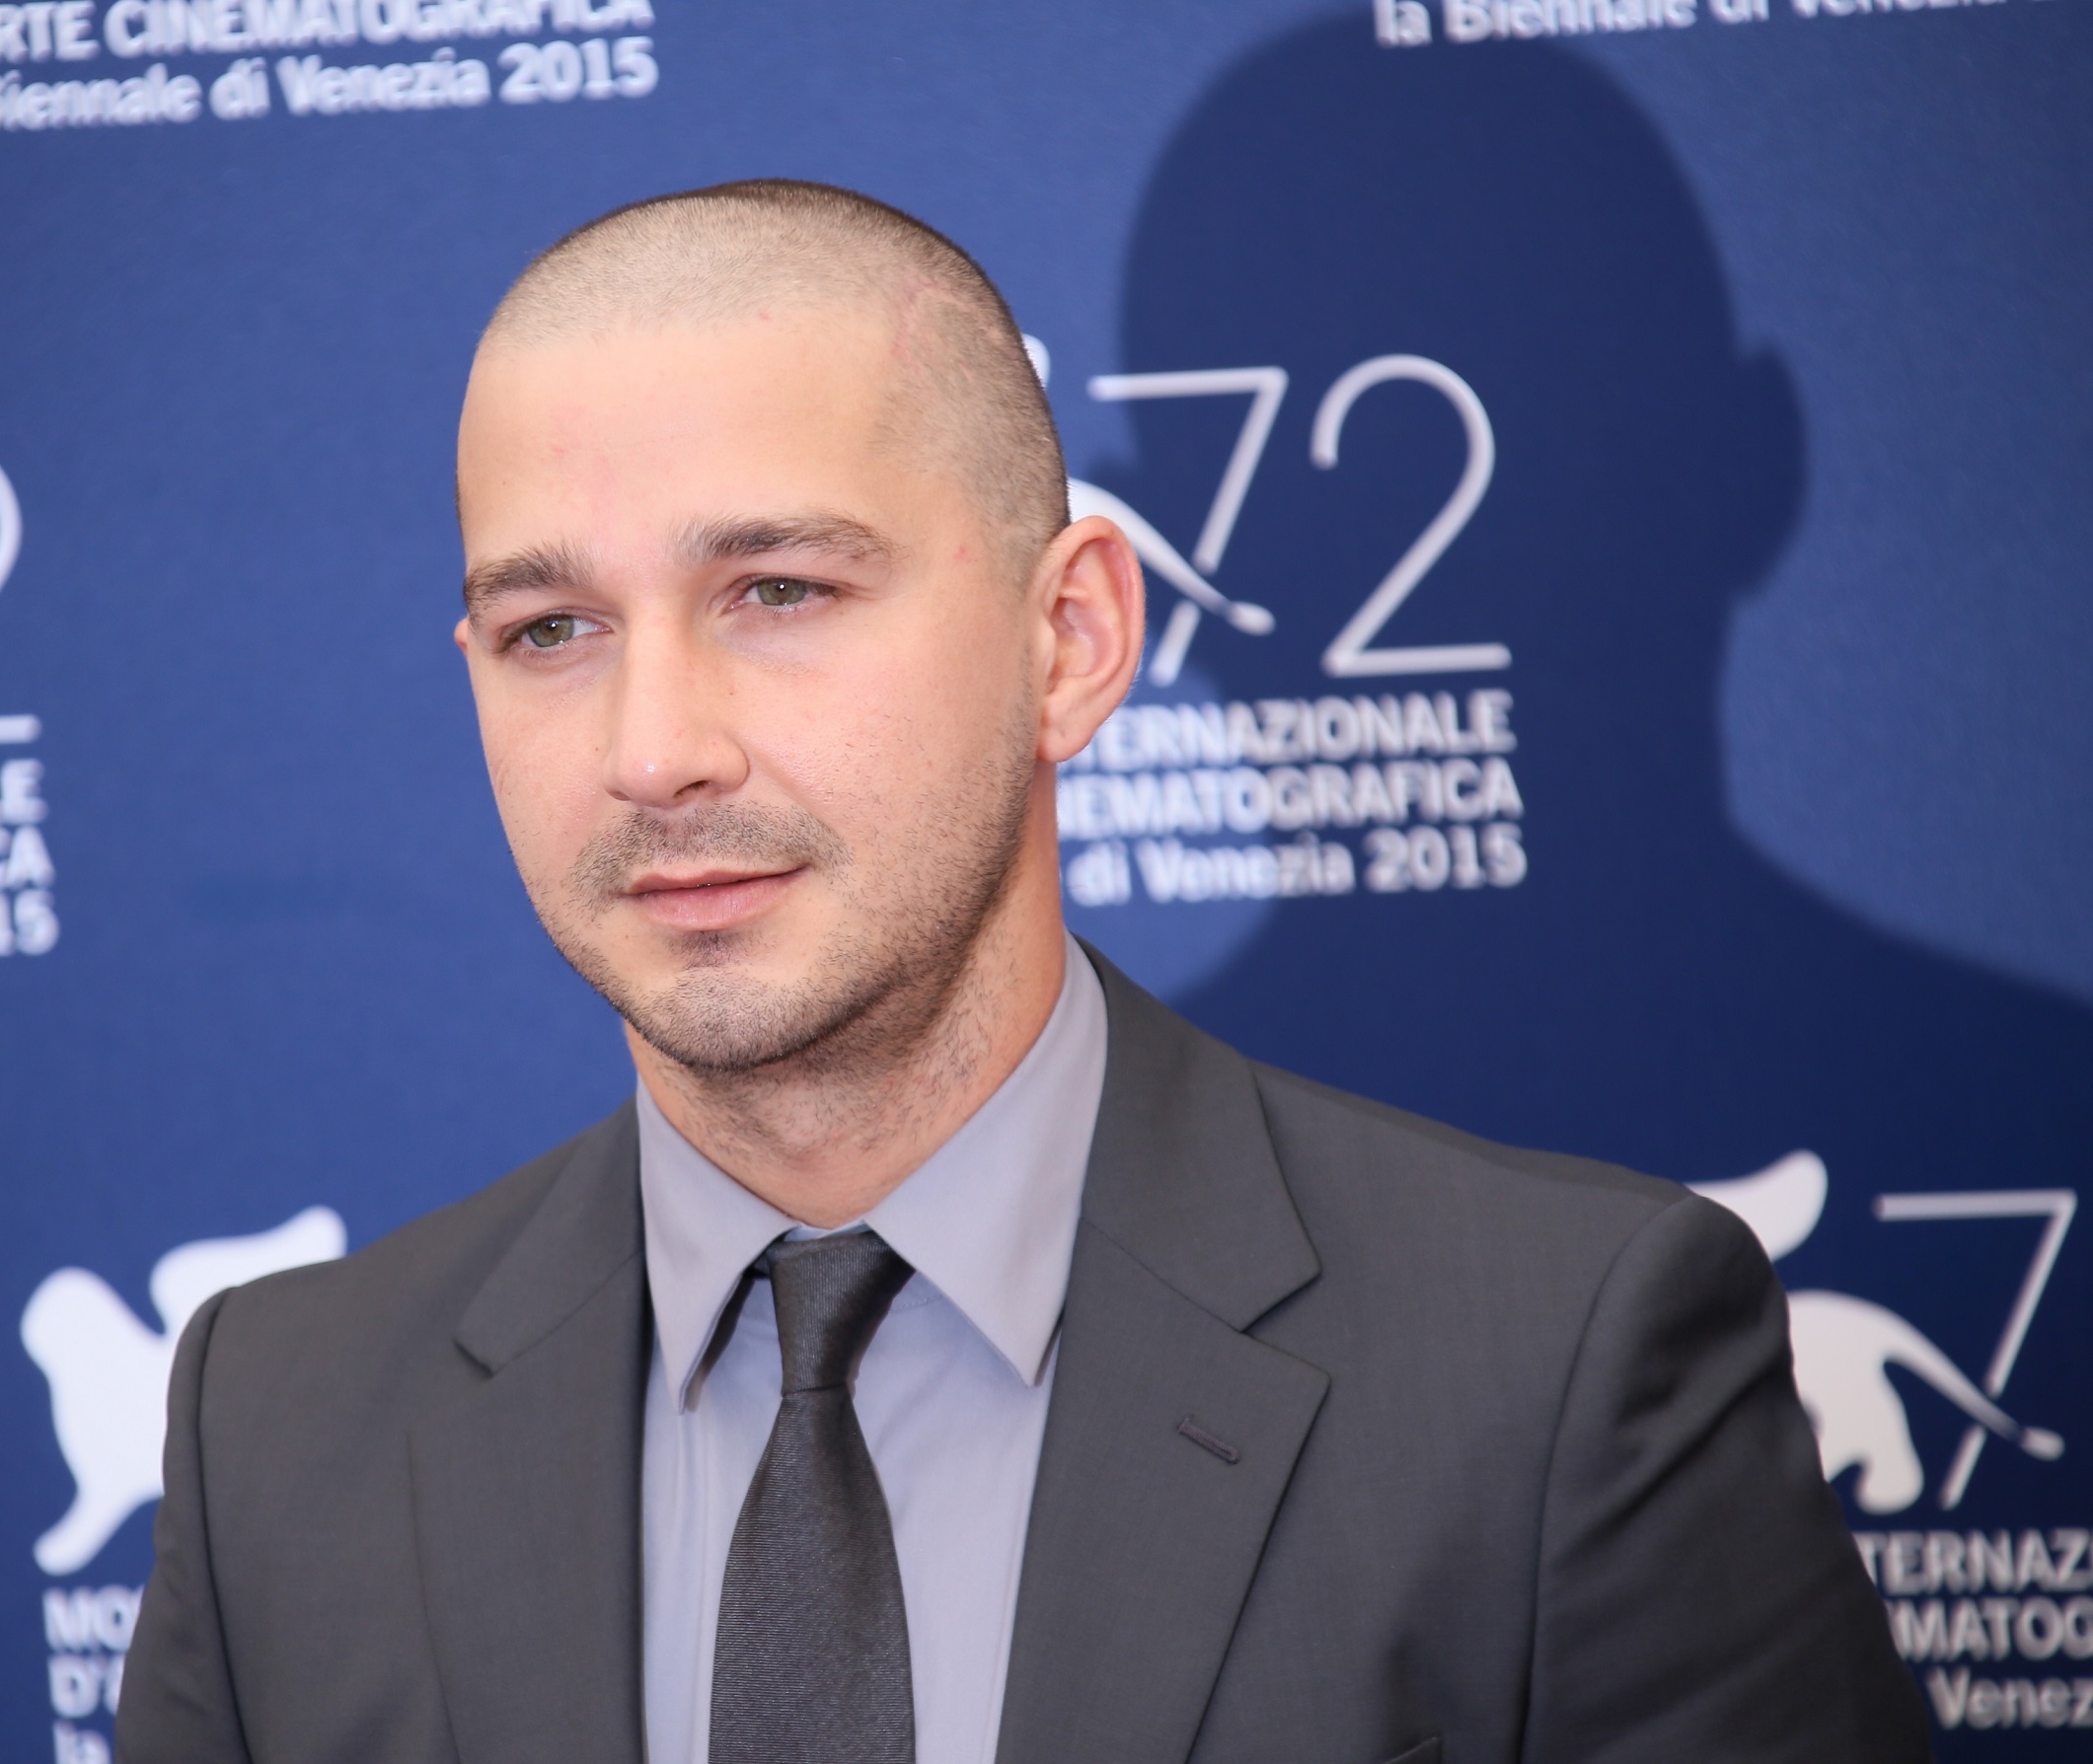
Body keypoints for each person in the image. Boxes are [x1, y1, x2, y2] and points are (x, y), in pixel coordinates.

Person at [117, 180, 1924, 1764]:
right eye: (551, 630)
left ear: (1068, 642)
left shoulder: (1556, 1369)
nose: (651, 748)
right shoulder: (273, 1427)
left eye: (778, 592)